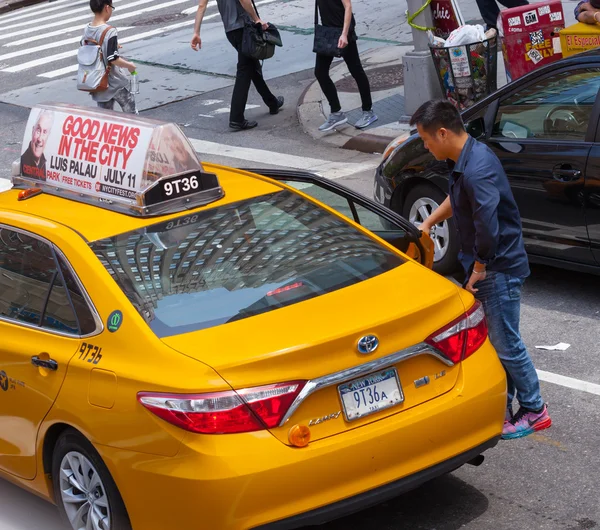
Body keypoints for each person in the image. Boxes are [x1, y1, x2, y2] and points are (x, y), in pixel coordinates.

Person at [410, 100, 551, 440]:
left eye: (427, 141)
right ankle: (503, 409)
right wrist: (428, 222)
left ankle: (535, 410)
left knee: (506, 344)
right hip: (493, 266)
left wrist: (479, 268)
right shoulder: (467, 159)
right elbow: (457, 198)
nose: (427, 148)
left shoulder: (477, 168)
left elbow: (488, 227)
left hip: (497, 269)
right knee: (496, 342)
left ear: (442, 133)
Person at [191, 0, 284, 131]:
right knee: (245, 71)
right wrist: (257, 19)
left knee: (252, 67)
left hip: (230, 31)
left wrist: (196, 32)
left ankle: (272, 103)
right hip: (243, 28)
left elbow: (202, 5)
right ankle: (236, 118)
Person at [314, 0, 377, 132]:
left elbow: (348, 6)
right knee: (320, 72)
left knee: (356, 70)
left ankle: (368, 111)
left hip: (343, 32)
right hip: (328, 33)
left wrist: (344, 33)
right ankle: (336, 112)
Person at [82, 0, 138, 114]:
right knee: (131, 114)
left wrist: (110, 45)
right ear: (107, 7)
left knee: (106, 118)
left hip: (97, 83)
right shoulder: (109, 31)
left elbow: (89, 47)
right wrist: (129, 65)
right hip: (114, 82)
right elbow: (113, 58)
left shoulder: (87, 28)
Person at [21, 110, 54, 180]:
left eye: (45, 132)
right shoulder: (22, 162)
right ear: (33, 130)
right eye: (38, 131)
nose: (40, 139)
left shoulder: (42, 162)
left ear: (48, 135)